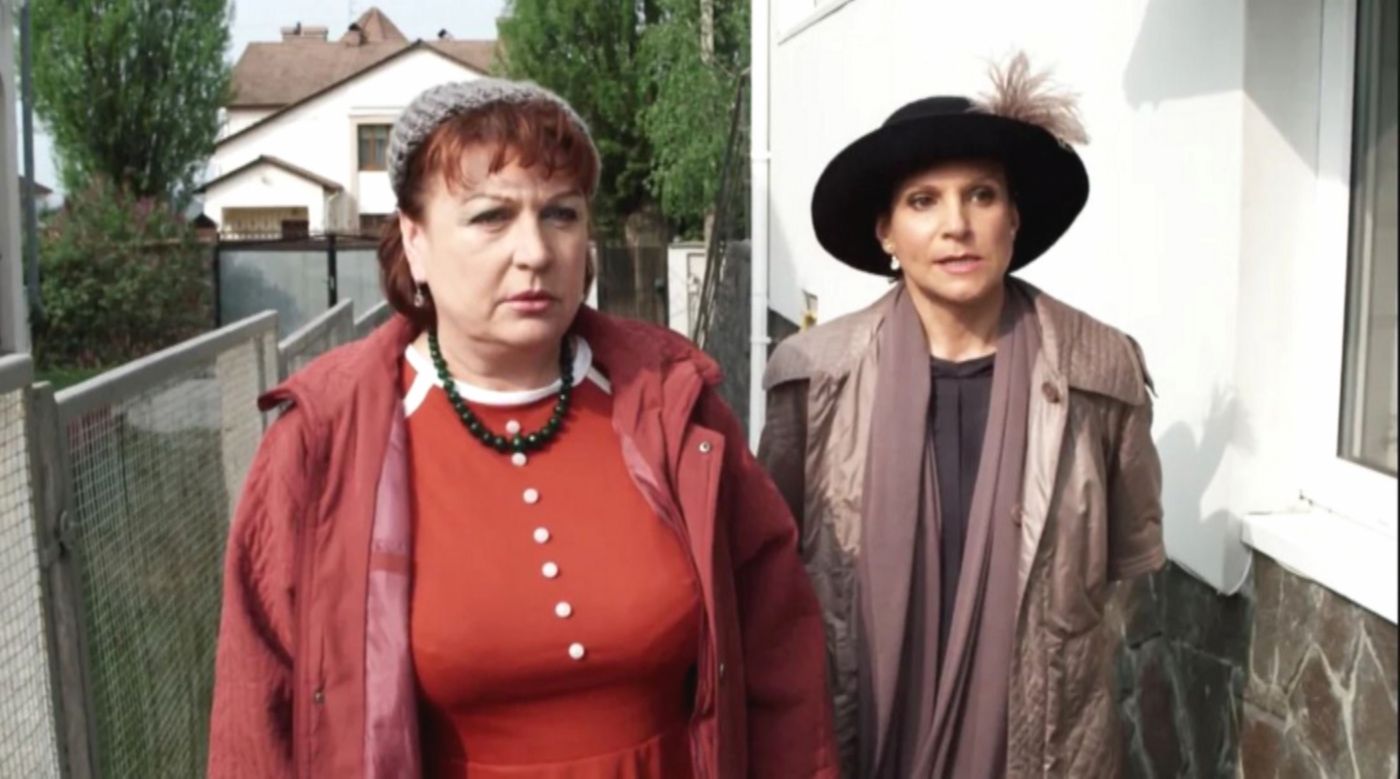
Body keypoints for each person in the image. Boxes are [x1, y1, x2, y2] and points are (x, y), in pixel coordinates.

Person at [209, 78, 837, 779]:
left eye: (561, 214)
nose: (535, 251)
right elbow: (256, 721)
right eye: (491, 217)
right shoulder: (322, 446)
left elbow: (782, 663)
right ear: (415, 240)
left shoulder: (676, 412)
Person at [758, 54, 1165, 778]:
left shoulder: (1099, 375)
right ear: (886, 232)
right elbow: (772, 569)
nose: (957, 226)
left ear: (1014, 217)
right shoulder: (813, 379)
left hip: (1039, 749)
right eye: (923, 201)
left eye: (981, 195)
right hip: (864, 740)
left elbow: (1124, 562)